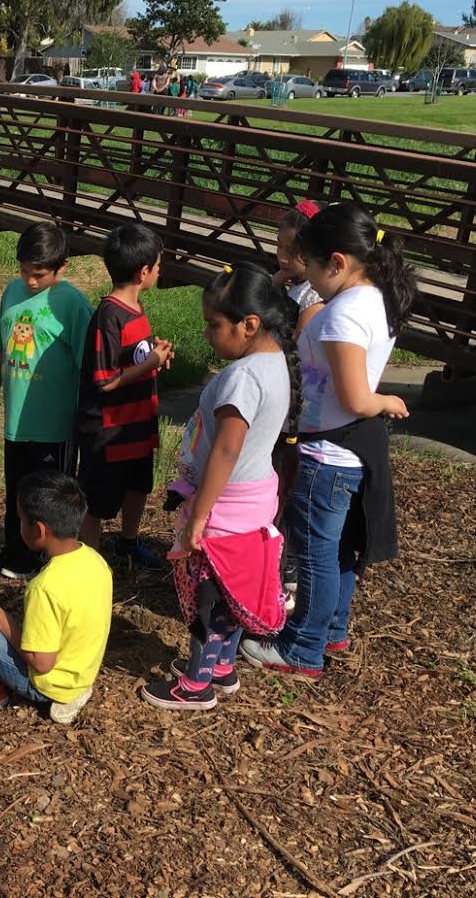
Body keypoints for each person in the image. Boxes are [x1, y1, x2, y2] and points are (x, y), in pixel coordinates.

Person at [241, 202, 416, 678]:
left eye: (314, 268)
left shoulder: (344, 315)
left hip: (329, 452)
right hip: (344, 449)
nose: (309, 280)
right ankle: (331, 628)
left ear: (337, 262)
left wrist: (387, 401)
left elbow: (357, 397)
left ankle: (302, 646)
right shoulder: (372, 297)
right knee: (335, 547)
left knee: (317, 551)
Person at [141, 264, 299, 710]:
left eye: (214, 324)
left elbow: (224, 454)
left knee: (209, 596)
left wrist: (199, 517)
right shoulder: (274, 364)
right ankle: (222, 667)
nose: (207, 333)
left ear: (249, 324)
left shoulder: (243, 378)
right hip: (255, 498)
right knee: (232, 591)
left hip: (225, 505)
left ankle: (196, 684)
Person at [0, 472, 113, 725]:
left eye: (21, 520)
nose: (20, 526)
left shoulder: (44, 587)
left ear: (39, 529)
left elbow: (42, 663)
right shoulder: (95, 560)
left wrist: (3, 621)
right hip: (82, 670)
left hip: (48, 686)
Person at [0, 223, 93, 579]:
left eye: (39, 274)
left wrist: (84, 417)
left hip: (54, 424)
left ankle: (50, 563)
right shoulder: (12, 292)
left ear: (62, 268)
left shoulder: (73, 304)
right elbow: (0, 348)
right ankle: (15, 555)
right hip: (17, 420)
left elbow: (86, 365)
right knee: (17, 492)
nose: (30, 281)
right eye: (25, 271)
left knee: (51, 497)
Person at [76, 223, 174, 567]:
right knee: (97, 499)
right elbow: (104, 381)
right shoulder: (108, 315)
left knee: (138, 486)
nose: (161, 270)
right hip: (108, 431)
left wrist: (153, 355)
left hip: (135, 425)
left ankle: (128, 542)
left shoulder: (135, 309)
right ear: (143, 272)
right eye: (158, 265)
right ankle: (89, 560)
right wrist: (149, 362)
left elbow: (132, 358)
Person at [273, 200, 325, 335]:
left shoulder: (314, 295)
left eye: (292, 252)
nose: (283, 258)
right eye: (279, 246)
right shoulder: (294, 280)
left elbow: (297, 345)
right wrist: (276, 287)